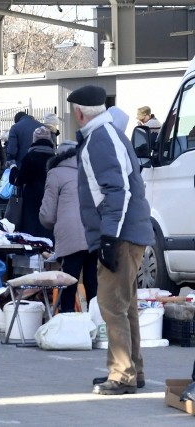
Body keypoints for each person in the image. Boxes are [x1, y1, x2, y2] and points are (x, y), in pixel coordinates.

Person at [68, 85, 154, 395]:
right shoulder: (110, 134)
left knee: (111, 306)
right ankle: (133, 370)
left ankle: (121, 374)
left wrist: (107, 237)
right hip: (130, 232)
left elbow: (118, 190)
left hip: (120, 235)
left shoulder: (99, 139)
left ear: (79, 112)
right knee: (125, 305)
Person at [39, 140, 97, 312]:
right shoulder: (90, 172)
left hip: (70, 234)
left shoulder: (56, 174)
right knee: (92, 280)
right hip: (94, 232)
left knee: (68, 280)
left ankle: (68, 320)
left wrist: (48, 224)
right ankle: (96, 322)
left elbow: (48, 214)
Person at [9, 126, 55, 240]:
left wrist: (13, 169)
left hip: (31, 199)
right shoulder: (54, 158)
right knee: (47, 229)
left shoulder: (30, 157)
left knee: (32, 232)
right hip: (50, 198)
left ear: (34, 140)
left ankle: (34, 255)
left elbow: (20, 179)